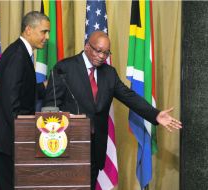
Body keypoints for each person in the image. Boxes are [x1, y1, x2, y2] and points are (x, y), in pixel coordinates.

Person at [44, 30, 182, 190]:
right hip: (68, 146)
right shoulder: (64, 68)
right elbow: (50, 108)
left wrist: (156, 114)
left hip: (96, 149)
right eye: (98, 51)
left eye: (106, 53)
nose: (102, 56)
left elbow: (129, 96)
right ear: (87, 46)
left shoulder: (109, 73)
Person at [0, 11, 50, 189]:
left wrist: (44, 87)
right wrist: (25, 137)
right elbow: (11, 104)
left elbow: (19, 91)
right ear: (28, 29)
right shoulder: (18, 55)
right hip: (7, 140)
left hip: (9, 138)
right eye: (43, 31)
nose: (47, 37)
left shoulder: (21, 52)